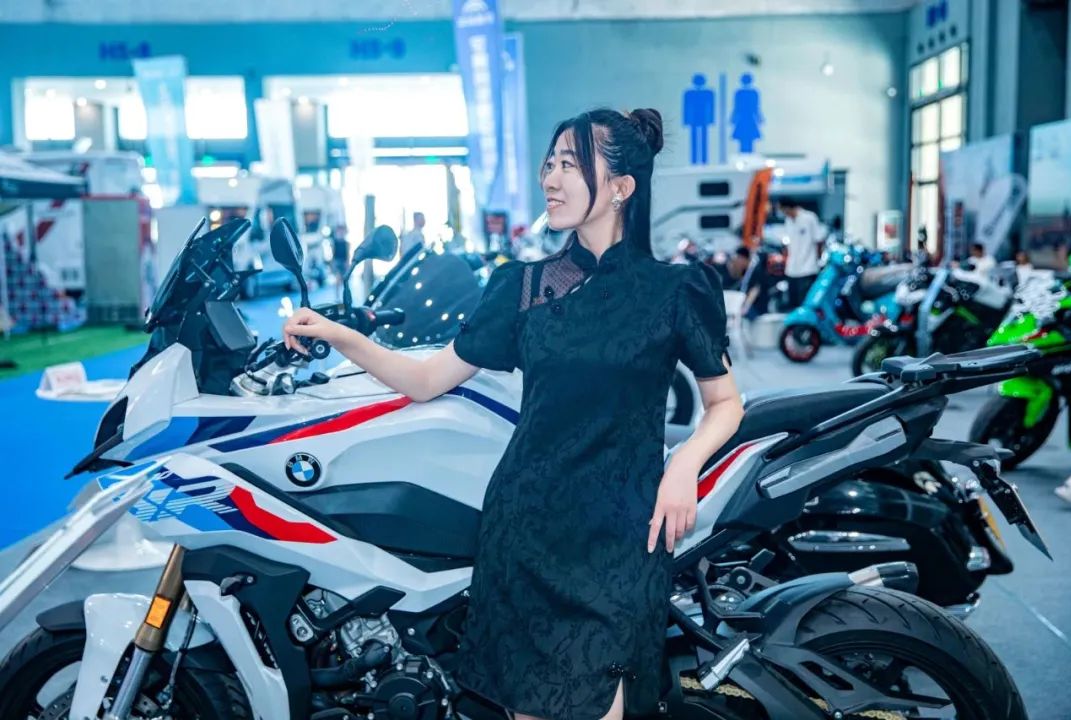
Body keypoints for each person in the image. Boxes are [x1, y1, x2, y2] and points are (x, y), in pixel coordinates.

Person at [282, 108, 744, 720]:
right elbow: (426, 380)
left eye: (570, 165)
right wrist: (342, 336)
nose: (550, 179)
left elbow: (724, 403)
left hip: (621, 537)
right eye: (549, 164)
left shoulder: (676, 290)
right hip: (526, 533)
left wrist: (683, 464)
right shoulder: (522, 286)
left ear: (621, 186)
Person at [778, 198, 825, 307]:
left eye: (784, 211)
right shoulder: (788, 221)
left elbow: (818, 240)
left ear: (788, 207)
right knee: (793, 303)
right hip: (792, 269)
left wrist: (818, 259)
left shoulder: (809, 218)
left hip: (808, 267)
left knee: (805, 302)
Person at [739, 247, 771, 322]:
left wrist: (746, 307)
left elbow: (755, 289)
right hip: (751, 305)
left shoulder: (757, 268)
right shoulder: (751, 268)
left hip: (756, 307)